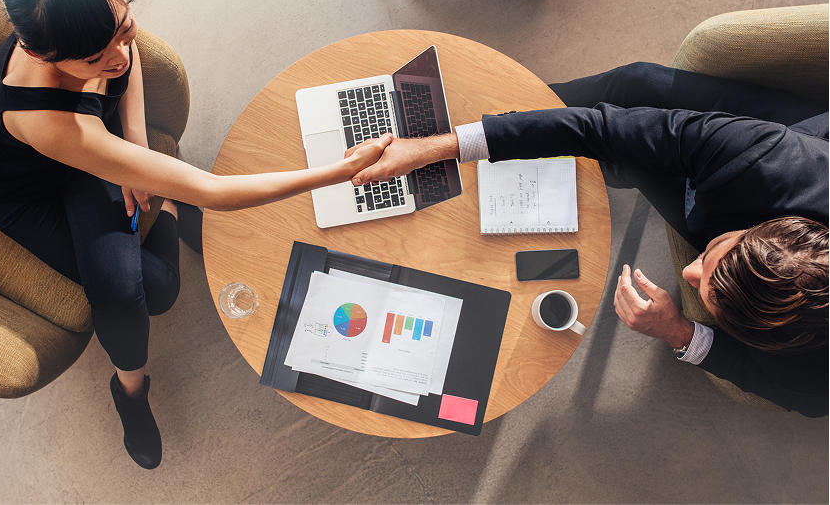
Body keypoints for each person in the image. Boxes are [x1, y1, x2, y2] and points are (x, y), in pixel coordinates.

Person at [0, 0, 391, 469]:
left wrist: (135, 146)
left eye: (124, 30)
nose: (118, 58)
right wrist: (340, 172)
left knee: (149, 288)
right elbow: (213, 191)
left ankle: (167, 211)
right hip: (22, 184)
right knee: (140, 291)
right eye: (94, 57)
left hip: (97, 142)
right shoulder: (43, 120)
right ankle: (130, 392)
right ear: (40, 53)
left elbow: (127, 59)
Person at [349, 62, 828, 417]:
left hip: (735, 204)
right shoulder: (765, 156)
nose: (686, 271)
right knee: (632, 89)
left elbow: (785, 390)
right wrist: (439, 147)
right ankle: (506, 115)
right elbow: (605, 128)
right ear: (759, 228)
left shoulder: (814, 376)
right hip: (788, 147)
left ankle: (590, 165)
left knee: (628, 161)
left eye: (707, 293)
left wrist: (680, 332)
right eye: (710, 259)